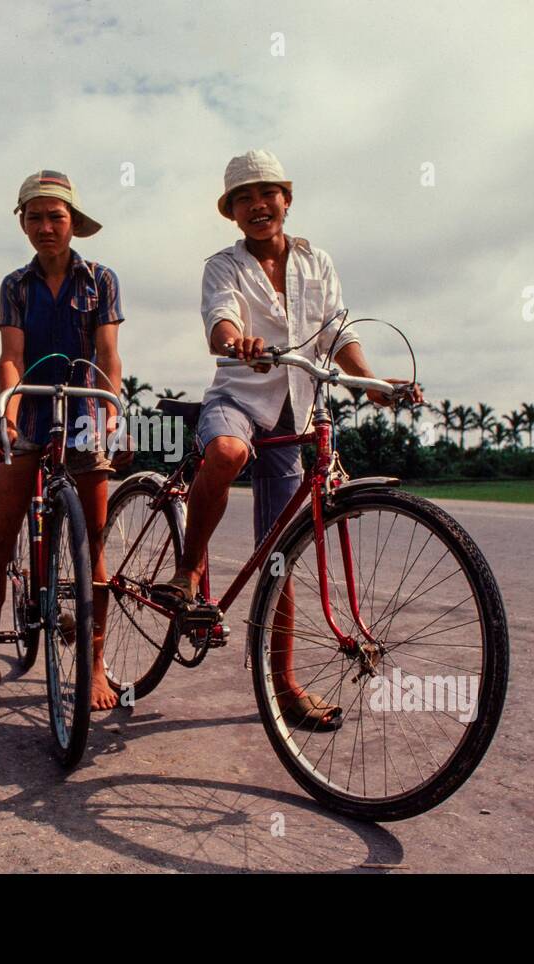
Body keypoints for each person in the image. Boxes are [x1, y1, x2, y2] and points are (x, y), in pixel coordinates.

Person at [152, 150, 423, 730]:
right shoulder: (223, 266)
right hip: (238, 401)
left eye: (266, 194)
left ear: (286, 198)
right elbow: (220, 321)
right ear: (231, 212)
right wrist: (237, 341)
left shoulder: (315, 261)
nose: (257, 206)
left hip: (295, 412)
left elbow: (338, 331)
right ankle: (190, 568)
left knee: (283, 557)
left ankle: (285, 688)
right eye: (244, 199)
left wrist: (372, 383)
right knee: (225, 452)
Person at [0, 170, 129, 719]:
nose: (46, 226)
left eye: (56, 216)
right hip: (31, 412)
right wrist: (6, 409)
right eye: (35, 217)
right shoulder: (15, 286)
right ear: (23, 224)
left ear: (73, 222)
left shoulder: (100, 279)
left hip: (81, 412)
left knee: (91, 545)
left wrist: (108, 404)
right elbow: (10, 356)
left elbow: (106, 351)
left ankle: (94, 664)